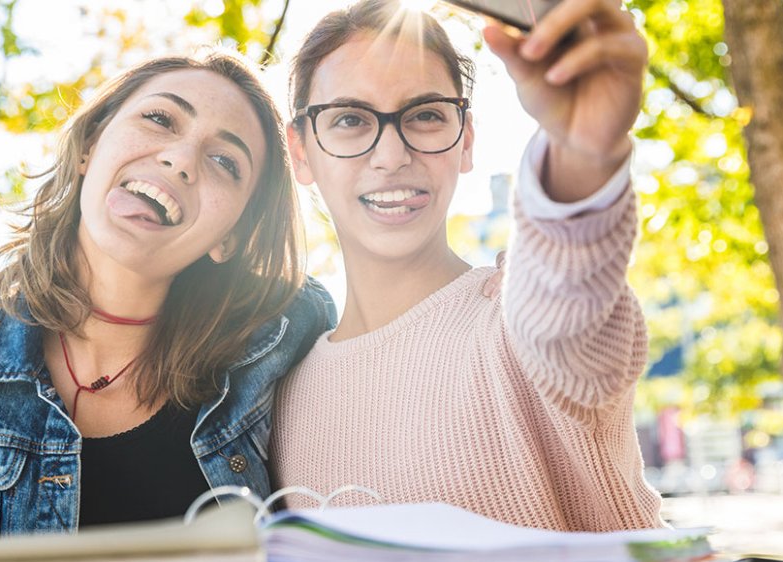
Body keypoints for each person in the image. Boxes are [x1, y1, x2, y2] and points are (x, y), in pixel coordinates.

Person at [0, 50, 336, 537]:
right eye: (159, 119)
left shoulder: (285, 330)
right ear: (89, 145)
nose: (181, 160)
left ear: (229, 237)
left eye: (224, 161)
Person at [270, 0, 665, 531]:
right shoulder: (279, 396)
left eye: (426, 115)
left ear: (467, 140)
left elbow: (568, 295)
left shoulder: (514, 322)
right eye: (349, 119)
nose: (391, 155)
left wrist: (582, 154)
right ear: (300, 152)